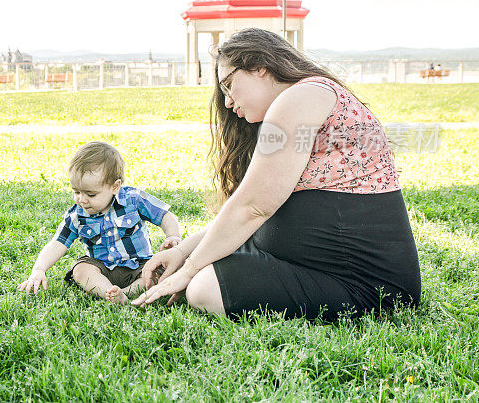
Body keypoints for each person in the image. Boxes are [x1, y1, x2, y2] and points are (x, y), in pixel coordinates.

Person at [132, 28, 421, 321]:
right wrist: (183, 254)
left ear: (259, 66)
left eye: (230, 85)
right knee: (206, 277)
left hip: (368, 288)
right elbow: (255, 204)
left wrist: (189, 270)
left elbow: (253, 208)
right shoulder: (304, 97)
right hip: (324, 271)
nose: (228, 101)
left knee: (203, 288)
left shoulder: (301, 97)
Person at [18, 141, 181, 304]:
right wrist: (39, 269)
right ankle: (108, 293)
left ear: (115, 187)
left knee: (156, 271)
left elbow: (164, 216)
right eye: (76, 192)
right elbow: (57, 243)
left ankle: (125, 293)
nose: (82, 200)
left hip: (138, 265)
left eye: (91, 194)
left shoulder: (133, 199)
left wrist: (172, 236)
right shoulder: (77, 215)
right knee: (81, 270)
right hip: (102, 270)